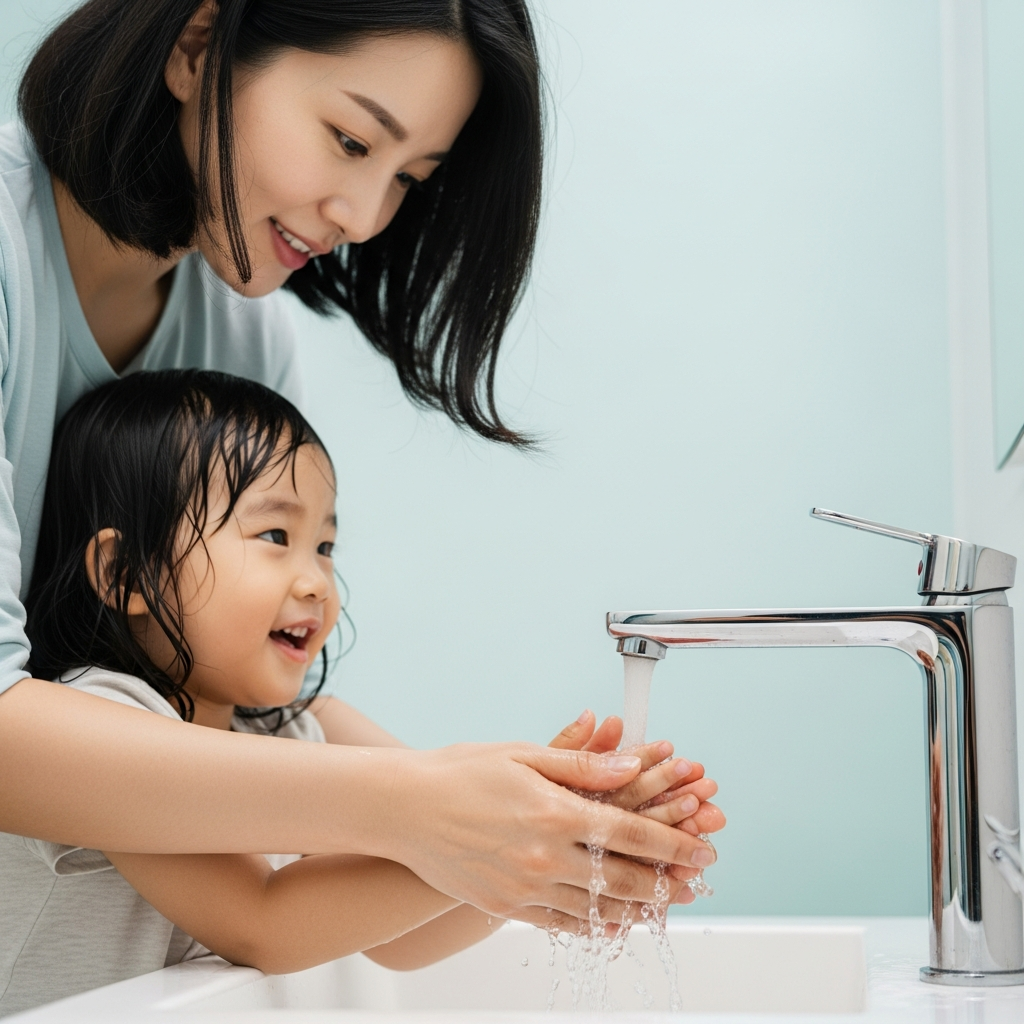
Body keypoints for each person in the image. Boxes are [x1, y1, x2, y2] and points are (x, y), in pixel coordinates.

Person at [0, 0, 721, 936]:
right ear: (196, 44)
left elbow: (329, 896)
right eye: (349, 140)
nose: (365, 217)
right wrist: (414, 805)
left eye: (409, 180)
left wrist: (539, 834)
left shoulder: (240, 331)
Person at [0, 370, 718, 1015]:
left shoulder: (295, 726)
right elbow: (267, 921)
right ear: (125, 573)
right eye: (275, 534)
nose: (316, 580)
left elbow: (404, 938)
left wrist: (556, 832)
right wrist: (507, 845)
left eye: (326, 547)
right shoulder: (105, 724)